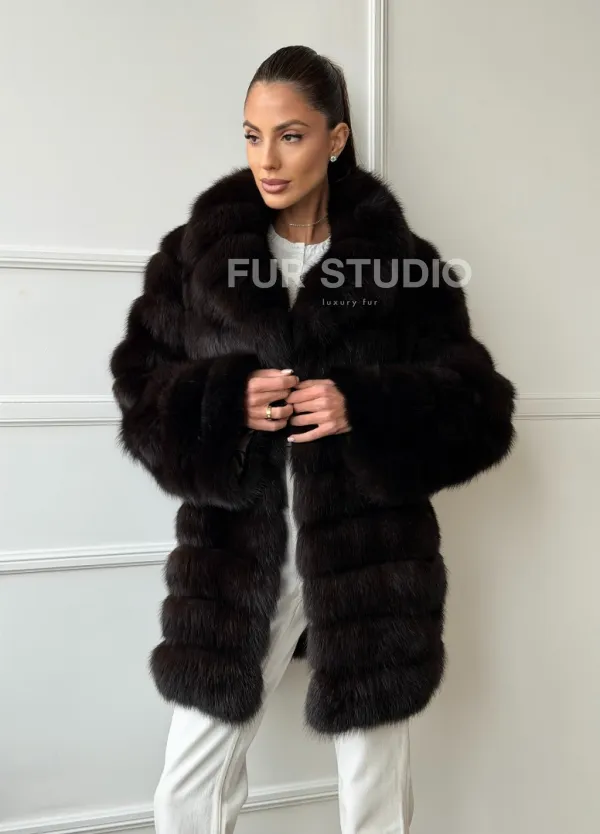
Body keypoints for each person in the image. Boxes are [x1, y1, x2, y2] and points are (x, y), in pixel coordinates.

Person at [109, 44, 517, 834]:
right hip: (237, 560)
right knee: (189, 784)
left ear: (335, 139)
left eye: (290, 135)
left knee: (374, 795)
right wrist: (224, 400)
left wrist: (363, 404)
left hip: (371, 561)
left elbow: (481, 408)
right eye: (252, 135)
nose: (267, 158)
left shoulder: (403, 267)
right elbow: (139, 391)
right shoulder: (195, 257)